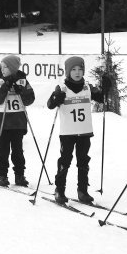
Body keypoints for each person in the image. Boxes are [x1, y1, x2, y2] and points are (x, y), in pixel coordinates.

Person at [46, 56, 108, 204]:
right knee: (65, 161)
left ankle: (82, 191)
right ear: (68, 72)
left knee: (83, 161)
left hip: (84, 131)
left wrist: (106, 88)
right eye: (73, 69)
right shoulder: (62, 88)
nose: (77, 72)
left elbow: (101, 98)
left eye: (80, 69)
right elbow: (50, 104)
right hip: (68, 132)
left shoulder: (88, 87)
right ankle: (59, 189)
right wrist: (56, 98)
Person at [0, 55, 36, 187]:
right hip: (3, 122)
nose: (2, 69)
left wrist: (21, 91)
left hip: (18, 121)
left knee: (18, 151)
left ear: (12, 68)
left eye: (6, 67)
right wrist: (5, 87)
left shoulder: (22, 81)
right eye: (2, 67)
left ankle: (19, 175)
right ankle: (2, 175)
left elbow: (30, 99)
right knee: (2, 150)